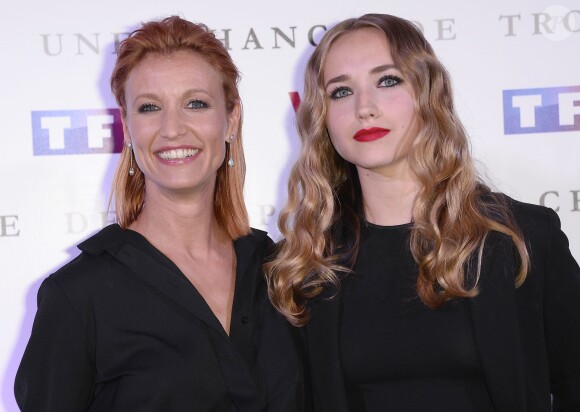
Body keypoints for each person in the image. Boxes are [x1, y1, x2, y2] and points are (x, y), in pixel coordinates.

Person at [266, 13, 580, 412]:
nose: (365, 107)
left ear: (428, 93)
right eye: (341, 92)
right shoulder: (303, 268)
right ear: (321, 116)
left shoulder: (522, 238)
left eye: (388, 80)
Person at [15, 16, 304, 411]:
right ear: (128, 128)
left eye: (196, 103)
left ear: (231, 120)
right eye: (150, 107)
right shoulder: (78, 296)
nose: (172, 129)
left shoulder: (280, 271)